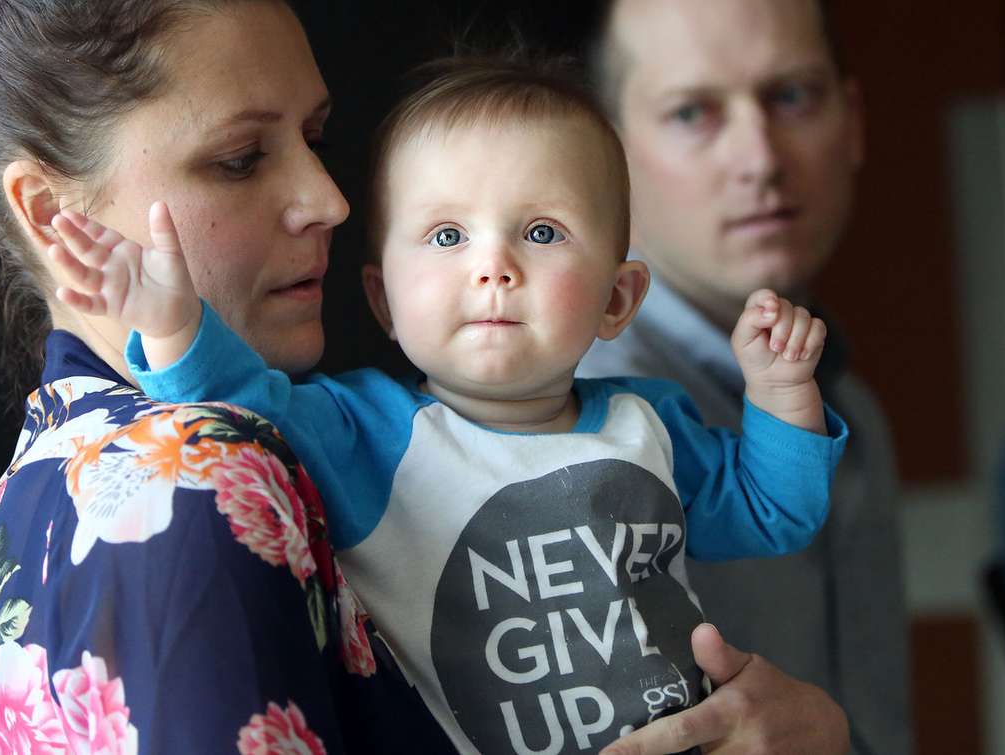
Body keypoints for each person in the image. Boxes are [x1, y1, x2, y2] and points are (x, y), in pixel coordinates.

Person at [0, 0, 853, 755]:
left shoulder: (79, 485)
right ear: (50, 210)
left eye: (317, 138)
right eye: (240, 158)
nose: (331, 200)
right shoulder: (193, 488)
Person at [44, 54, 847, 753]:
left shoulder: (650, 423)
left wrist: (780, 393)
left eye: (540, 232)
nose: (492, 266)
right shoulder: (364, 433)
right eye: (446, 237)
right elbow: (232, 405)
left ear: (617, 298)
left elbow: (776, 508)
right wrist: (174, 322)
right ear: (384, 301)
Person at [578, 0, 911, 754]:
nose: (759, 156)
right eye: (693, 111)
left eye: (792, 95)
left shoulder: (852, 411)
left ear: (854, 120)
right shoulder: (581, 421)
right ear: (605, 158)